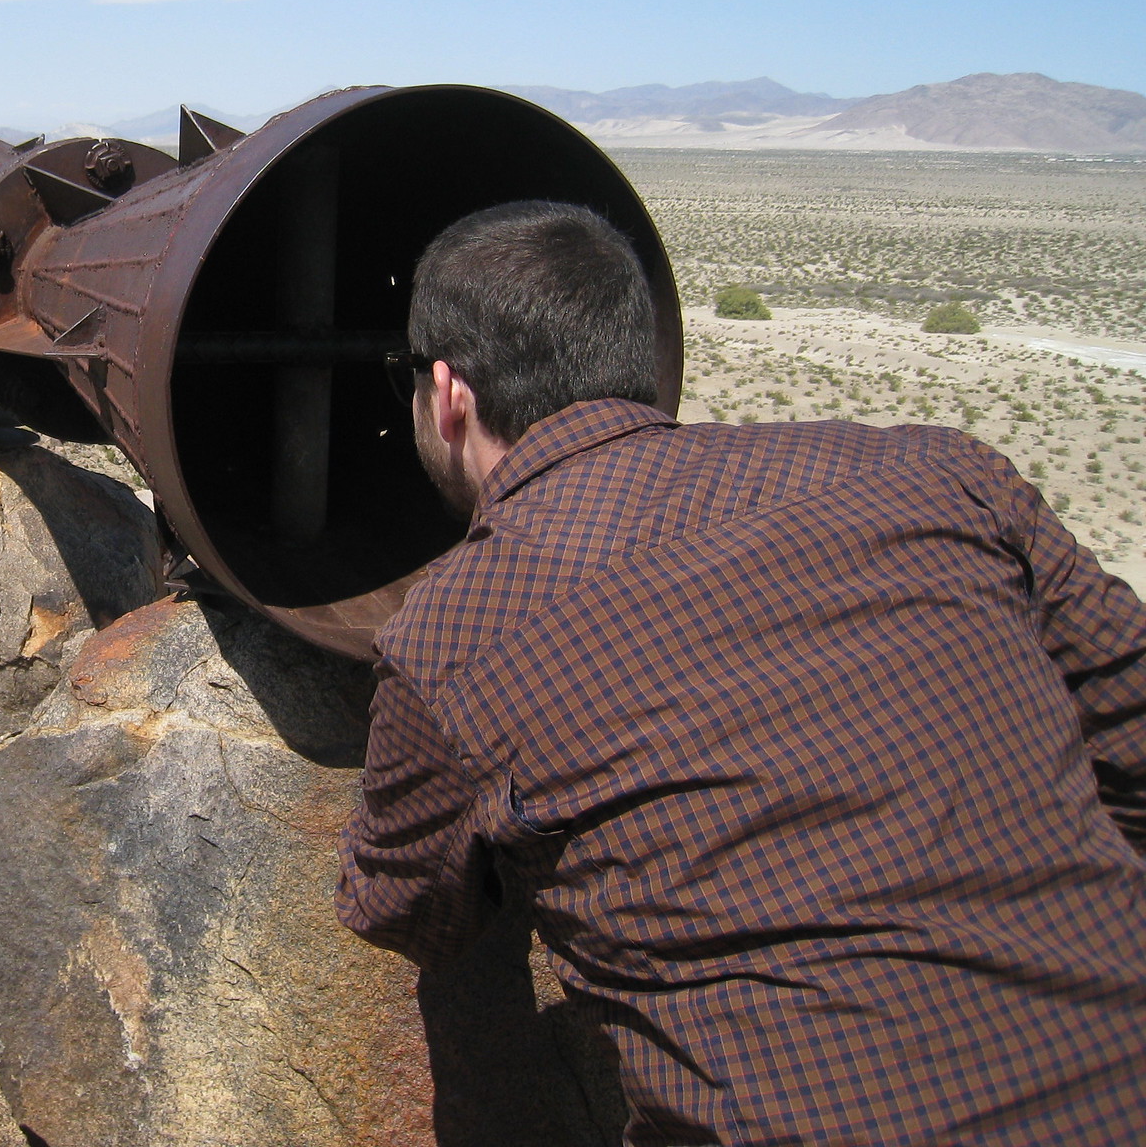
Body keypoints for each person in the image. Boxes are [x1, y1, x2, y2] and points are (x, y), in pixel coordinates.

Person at [338, 199, 1146, 1146]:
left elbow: (403, 908)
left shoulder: (453, 639)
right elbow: (1129, 730)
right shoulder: (934, 471)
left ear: (448, 392)